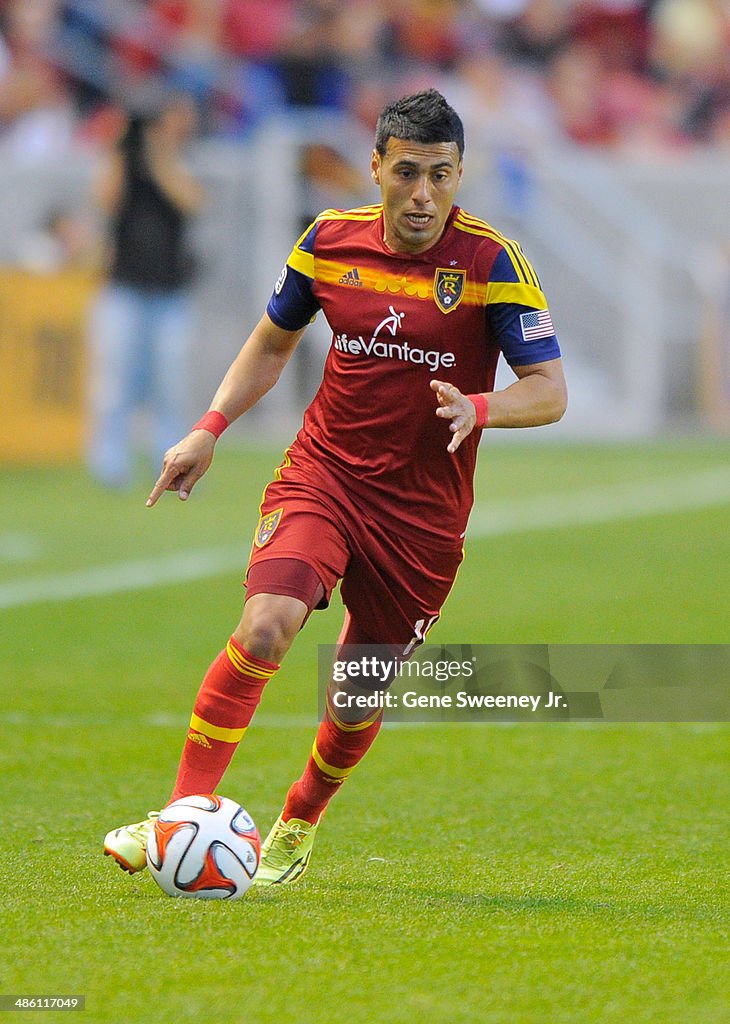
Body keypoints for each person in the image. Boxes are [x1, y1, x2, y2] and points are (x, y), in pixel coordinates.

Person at [103, 89, 567, 886]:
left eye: (443, 177)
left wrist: (480, 407)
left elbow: (550, 389)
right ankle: (178, 815)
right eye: (409, 173)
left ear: (461, 176)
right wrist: (207, 429)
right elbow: (270, 345)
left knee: (356, 690)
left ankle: (301, 817)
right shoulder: (328, 241)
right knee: (265, 626)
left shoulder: (492, 264)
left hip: (422, 516)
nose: (424, 195)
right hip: (327, 473)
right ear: (377, 166)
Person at [87, 93, 203, 488]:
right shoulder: (125, 162)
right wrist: (121, 148)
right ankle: (110, 461)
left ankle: (168, 457)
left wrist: (158, 154)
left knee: (170, 382)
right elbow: (105, 201)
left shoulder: (179, 161)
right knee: (114, 379)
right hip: (124, 286)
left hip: (170, 290)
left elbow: (191, 201)